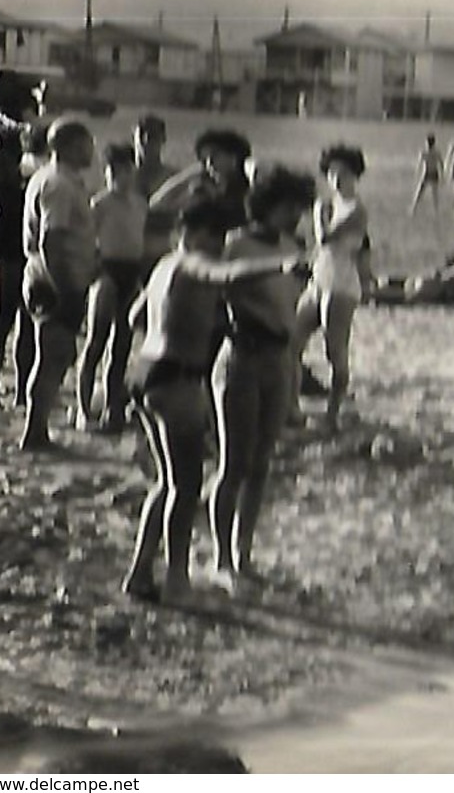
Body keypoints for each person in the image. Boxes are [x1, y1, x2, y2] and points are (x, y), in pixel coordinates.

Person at [122, 197, 307, 606]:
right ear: (187, 233)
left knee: (166, 484)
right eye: (212, 236)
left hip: (147, 371)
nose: (218, 244)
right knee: (185, 488)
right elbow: (228, 273)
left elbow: (137, 316)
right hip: (177, 380)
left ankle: (139, 573)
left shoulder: (164, 266)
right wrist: (281, 265)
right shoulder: (191, 263)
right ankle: (175, 582)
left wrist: (188, 320)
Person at [210, 166, 318, 595]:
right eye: (290, 207)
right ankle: (221, 560)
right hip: (242, 356)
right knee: (233, 463)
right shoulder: (235, 244)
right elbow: (221, 293)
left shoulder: (294, 246)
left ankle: (243, 553)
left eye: (300, 209)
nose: (296, 216)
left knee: (262, 463)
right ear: (268, 205)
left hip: (279, 359)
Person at [19, 120, 98, 452]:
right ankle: (34, 432)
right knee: (52, 356)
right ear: (67, 146)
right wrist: (64, 287)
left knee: (54, 355)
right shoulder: (60, 185)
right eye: (86, 143)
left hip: (46, 277)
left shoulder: (51, 179)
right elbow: (52, 238)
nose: (92, 150)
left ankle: (36, 429)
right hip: (54, 282)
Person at [74, 143, 147, 434]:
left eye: (124, 169)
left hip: (131, 271)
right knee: (95, 342)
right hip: (107, 270)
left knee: (122, 346)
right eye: (112, 170)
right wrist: (96, 273)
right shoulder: (99, 203)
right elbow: (86, 242)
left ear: (132, 170)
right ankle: (83, 410)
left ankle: (112, 407)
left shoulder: (140, 203)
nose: (118, 176)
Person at [296, 145, 371, 422]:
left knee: (334, 350)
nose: (337, 180)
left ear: (356, 175)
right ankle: (291, 408)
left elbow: (325, 238)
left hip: (340, 284)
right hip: (320, 278)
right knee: (293, 341)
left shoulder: (356, 210)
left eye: (344, 174)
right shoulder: (332, 205)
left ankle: (333, 412)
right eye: (332, 174)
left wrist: (318, 213)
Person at [0, 122, 36, 414]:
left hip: (25, 239)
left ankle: (22, 392)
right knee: (3, 314)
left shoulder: (22, 158)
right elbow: (4, 199)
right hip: (6, 239)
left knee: (27, 319)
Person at [148, 128, 253, 232]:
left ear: (234, 157)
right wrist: (189, 175)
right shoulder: (203, 190)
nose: (209, 163)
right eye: (204, 159)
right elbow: (156, 204)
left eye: (214, 155)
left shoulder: (250, 190)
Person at [132, 113, 178, 267]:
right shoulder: (120, 176)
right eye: (142, 135)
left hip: (159, 253)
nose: (146, 141)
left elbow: (174, 219)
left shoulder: (173, 178)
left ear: (163, 139)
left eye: (153, 137)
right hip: (127, 254)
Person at [410, 132, 444, 216]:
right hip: (434, 172)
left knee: (420, 192)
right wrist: (442, 174)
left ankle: (414, 208)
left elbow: (419, 163)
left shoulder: (424, 152)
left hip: (426, 173)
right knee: (434, 193)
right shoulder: (437, 152)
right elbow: (441, 163)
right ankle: (436, 210)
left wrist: (417, 172)